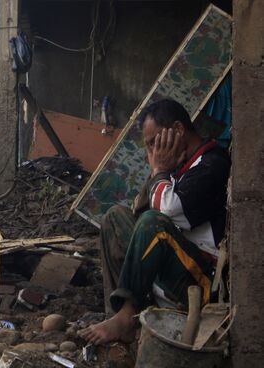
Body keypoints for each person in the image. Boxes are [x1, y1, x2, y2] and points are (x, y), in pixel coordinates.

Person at [78, 99, 230, 345]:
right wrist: (155, 173)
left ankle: (127, 316)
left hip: (201, 281)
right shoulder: (179, 167)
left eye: (153, 142)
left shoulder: (212, 163)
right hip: (176, 261)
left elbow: (168, 212)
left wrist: (159, 170)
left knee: (153, 223)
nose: (152, 152)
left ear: (178, 130)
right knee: (115, 217)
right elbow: (136, 210)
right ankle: (118, 314)